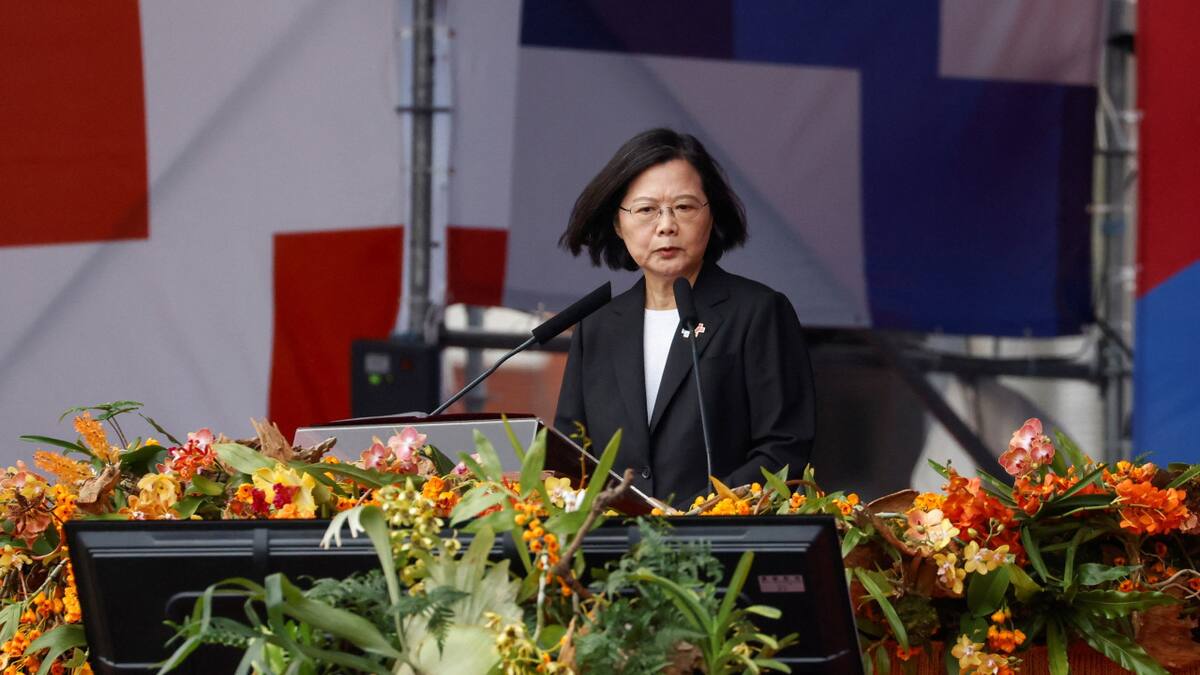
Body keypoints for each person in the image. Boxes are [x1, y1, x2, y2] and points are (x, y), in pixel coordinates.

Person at [554, 128, 815, 507]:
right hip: (614, 551)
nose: (666, 226)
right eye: (646, 210)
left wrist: (694, 514)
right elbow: (570, 453)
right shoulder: (597, 325)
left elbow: (783, 450)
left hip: (720, 547)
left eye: (685, 207)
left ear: (712, 216)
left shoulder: (758, 312)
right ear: (618, 224)